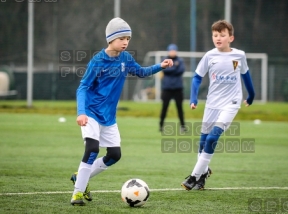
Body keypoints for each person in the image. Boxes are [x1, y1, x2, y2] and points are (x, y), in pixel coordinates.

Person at [70, 17, 173, 205]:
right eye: (122, 38)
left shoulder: (126, 58)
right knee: (92, 148)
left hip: (109, 117)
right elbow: (83, 87)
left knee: (115, 155)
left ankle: (80, 177)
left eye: (128, 39)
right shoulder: (98, 61)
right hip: (91, 113)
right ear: (111, 39)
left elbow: (141, 72)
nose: (125, 42)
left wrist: (161, 66)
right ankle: (77, 193)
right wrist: (81, 112)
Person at [181, 20, 255, 190]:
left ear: (231, 38)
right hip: (212, 104)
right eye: (215, 35)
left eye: (222, 35)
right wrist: (193, 98)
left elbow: (246, 76)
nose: (218, 38)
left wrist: (251, 95)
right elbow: (197, 77)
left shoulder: (239, 55)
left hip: (232, 103)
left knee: (213, 137)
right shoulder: (209, 56)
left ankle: (193, 177)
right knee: (202, 142)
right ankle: (203, 174)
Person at [159, 44, 186, 132]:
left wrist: (172, 68)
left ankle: (183, 126)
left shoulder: (180, 61)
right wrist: (175, 67)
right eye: (171, 50)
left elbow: (181, 71)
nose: (172, 52)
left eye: (174, 50)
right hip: (167, 88)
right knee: (164, 107)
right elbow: (165, 70)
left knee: (180, 108)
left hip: (178, 88)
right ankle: (161, 125)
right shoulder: (165, 60)